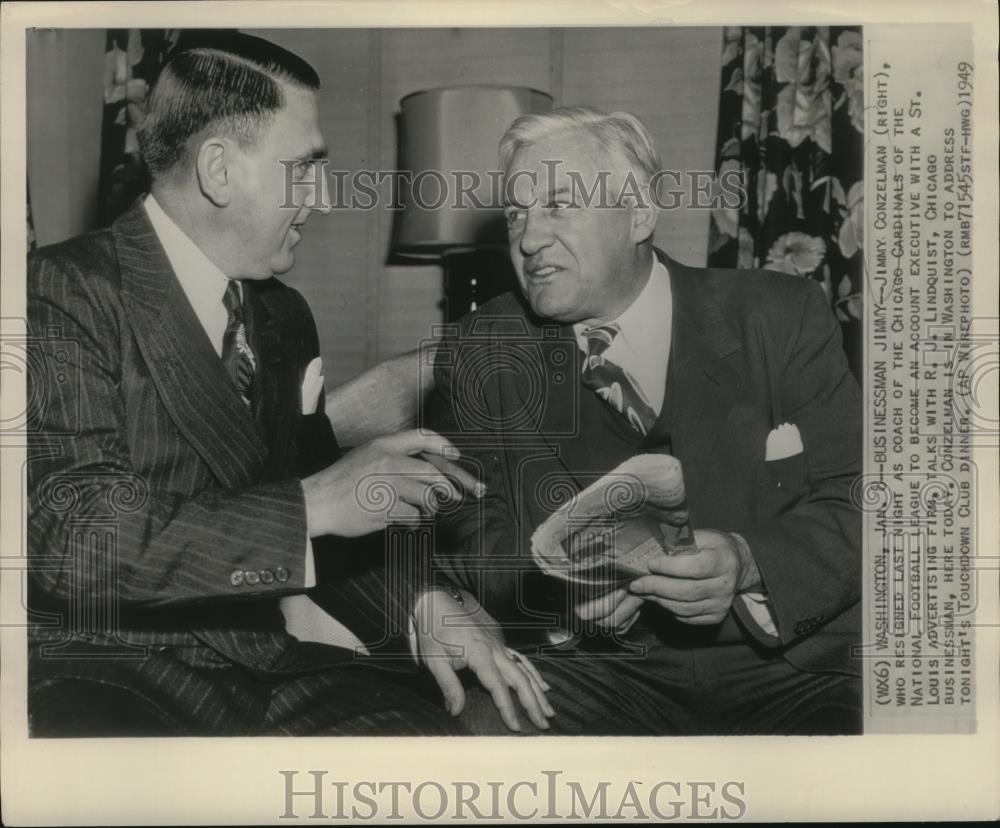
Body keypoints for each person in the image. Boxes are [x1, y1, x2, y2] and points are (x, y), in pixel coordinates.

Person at [25, 33, 551, 737]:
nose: (325, 198)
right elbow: (78, 540)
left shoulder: (281, 315)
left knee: (459, 747)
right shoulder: (60, 292)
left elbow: (322, 514)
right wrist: (312, 503)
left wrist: (422, 603)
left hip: (261, 666)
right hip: (107, 678)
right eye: (305, 168)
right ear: (219, 170)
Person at [414, 106, 863, 735]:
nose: (529, 238)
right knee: (477, 738)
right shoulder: (482, 348)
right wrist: (566, 583)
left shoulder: (779, 317)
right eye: (517, 214)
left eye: (560, 205)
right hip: (596, 668)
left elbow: (863, 498)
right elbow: (461, 523)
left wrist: (748, 559)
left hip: (792, 665)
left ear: (641, 214)